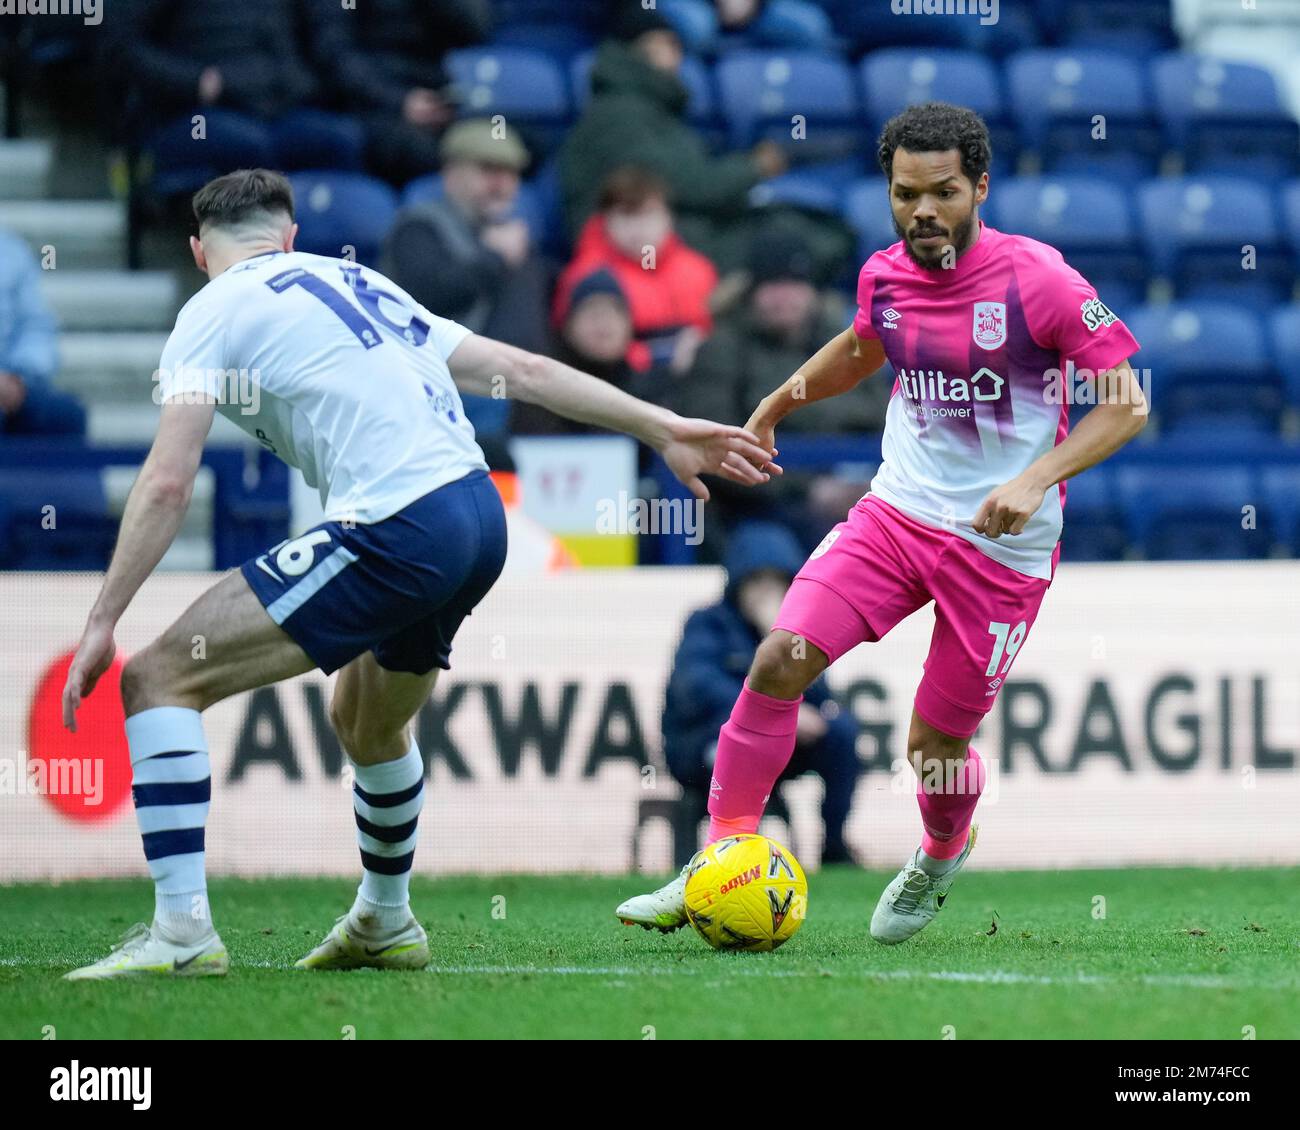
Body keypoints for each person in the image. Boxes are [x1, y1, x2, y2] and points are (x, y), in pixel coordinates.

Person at [59, 168, 775, 980]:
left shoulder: (209, 309)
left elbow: (166, 480)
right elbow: (524, 370)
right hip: (477, 516)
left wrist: (101, 622)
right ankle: (385, 922)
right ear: (290, 237)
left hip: (398, 523)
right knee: (364, 721)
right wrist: (661, 426)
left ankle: (182, 934)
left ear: (199, 252)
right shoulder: (359, 281)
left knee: (156, 681)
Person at [616, 102, 1148, 943]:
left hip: (1000, 546)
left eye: (942, 192)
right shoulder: (884, 275)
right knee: (781, 656)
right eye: (906, 194)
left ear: (979, 186)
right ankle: (717, 859)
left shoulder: (1037, 279)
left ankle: (940, 852)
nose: (923, 211)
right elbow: (865, 346)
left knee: (932, 748)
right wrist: (779, 400)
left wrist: (1037, 477)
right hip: (897, 514)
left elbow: (1126, 403)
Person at [677, 227, 889, 557]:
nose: (784, 296)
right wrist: (809, 490)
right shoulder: (722, 348)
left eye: (795, 284)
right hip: (761, 508)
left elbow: (888, 423)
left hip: (864, 494)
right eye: (772, 285)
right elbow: (716, 448)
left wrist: (869, 484)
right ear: (752, 291)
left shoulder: (849, 345)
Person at [661, 521, 860, 866]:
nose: (766, 591)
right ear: (737, 582)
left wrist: (779, 635)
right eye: (757, 580)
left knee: (841, 731)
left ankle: (834, 846)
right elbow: (695, 687)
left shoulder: (798, 627)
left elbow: (818, 693)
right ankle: (726, 859)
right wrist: (764, 711)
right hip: (706, 742)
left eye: (776, 581)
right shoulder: (708, 623)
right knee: (722, 750)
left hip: (778, 744)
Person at [560, 6, 786, 270]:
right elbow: (687, 185)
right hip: (626, 258)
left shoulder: (647, 107)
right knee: (777, 242)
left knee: (784, 231)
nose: (678, 58)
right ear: (649, 46)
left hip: (669, 238)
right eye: (671, 45)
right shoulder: (619, 114)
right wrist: (753, 167)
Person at [383, 118, 550, 354]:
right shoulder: (419, 226)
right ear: (451, 175)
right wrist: (494, 258)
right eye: (489, 170)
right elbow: (425, 300)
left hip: (515, 381)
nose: (502, 184)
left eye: (511, 173)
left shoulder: (515, 237)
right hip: (442, 378)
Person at [555, 167, 717, 375]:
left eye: (648, 216)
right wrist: (653, 356)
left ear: (668, 218)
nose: (638, 229)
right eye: (626, 216)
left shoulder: (698, 270)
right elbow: (578, 347)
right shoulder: (587, 275)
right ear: (605, 221)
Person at [313, 0, 493, 184]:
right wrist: (401, 101)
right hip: (372, 102)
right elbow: (336, 54)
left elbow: (474, 27)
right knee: (422, 151)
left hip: (438, 94)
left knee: (496, 138)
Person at [511, 269, 665, 436]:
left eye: (614, 311)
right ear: (568, 326)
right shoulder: (542, 389)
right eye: (592, 311)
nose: (604, 322)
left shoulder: (650, 393)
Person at [0, 229, 84, 438]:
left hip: (10, 385)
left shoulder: (12, 251)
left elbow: (36, 327)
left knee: (66, 415)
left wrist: (18, 380)